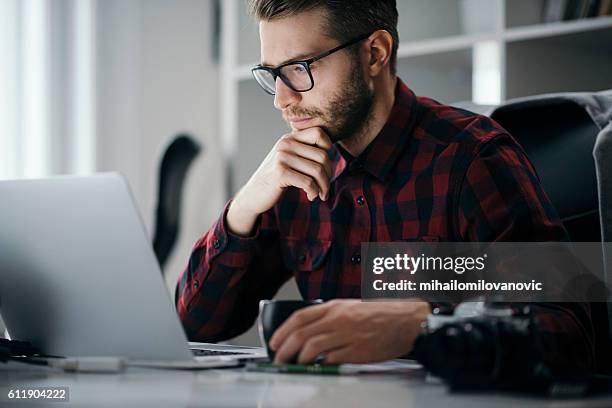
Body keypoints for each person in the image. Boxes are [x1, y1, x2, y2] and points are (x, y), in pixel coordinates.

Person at [176, 0, 594, 370]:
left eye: (300, 68)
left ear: (375, 53)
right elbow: (195, 326)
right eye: (273, 74)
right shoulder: (293, 175)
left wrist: (423, 326)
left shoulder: (474, 159)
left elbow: (569, 331)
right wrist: (242, 210)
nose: (281, 99)